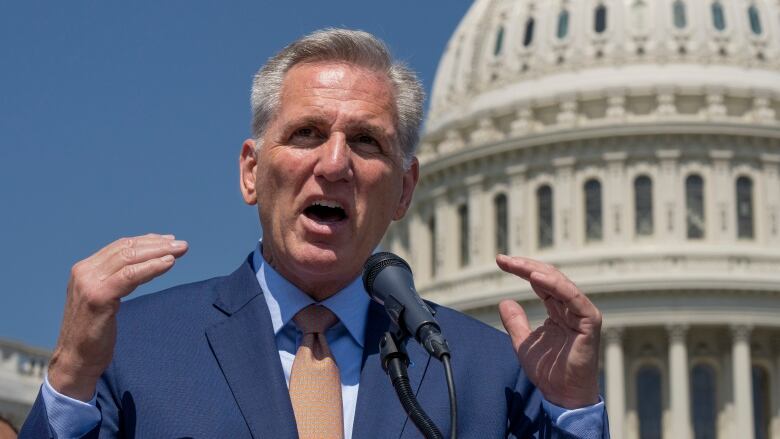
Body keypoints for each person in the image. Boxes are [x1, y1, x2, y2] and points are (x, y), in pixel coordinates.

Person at [20, 29, 607, 438]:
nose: (334, 164)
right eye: (306, 133)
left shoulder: (484, 372)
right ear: (251, 171)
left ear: (404, 190)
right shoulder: (133, 351)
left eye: (366, 141)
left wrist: (574, 408)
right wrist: (70, 378)